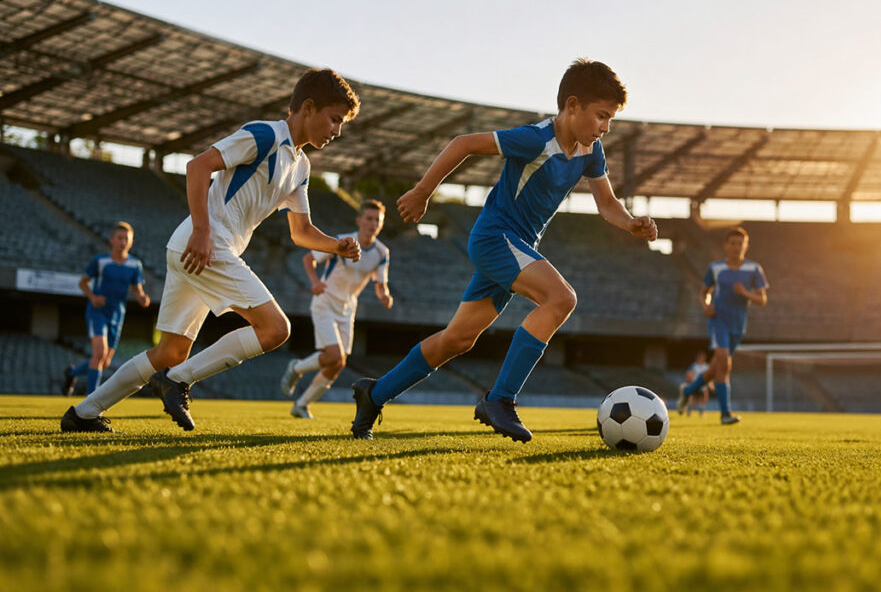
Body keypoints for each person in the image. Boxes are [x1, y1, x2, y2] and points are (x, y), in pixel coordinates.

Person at [349, 58, 658, 442]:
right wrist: (422, 191)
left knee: (457, 340)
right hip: (496, 238)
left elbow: (607, 204)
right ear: (573, 105)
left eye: (610, 118)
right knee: (561, 299)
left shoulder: (590, 151)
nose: (606, 127)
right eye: (602, 116)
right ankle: (500, 399)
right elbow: (464, 144)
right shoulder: (535, 139)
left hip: (516, 247)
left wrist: (631, 223)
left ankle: (373, 394)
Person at [60, 68, 362, 433]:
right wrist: (203, 231)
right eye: (334, 119)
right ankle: (177, 380)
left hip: (194, 249)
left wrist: (337, 246)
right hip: (206, 244)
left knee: (169, 353)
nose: (336, 131)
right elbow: (198, 166)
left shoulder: (301, 166)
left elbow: (301, 232)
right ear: (308, 108)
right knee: (275, 329)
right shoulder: (265, 134)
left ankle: (83, 414)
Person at [280, 199, 393, 419]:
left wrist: (384, 296)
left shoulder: (382, 252)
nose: (373, 223)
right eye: (369, 218)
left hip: (348, 308)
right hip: (325, 301)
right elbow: (308, 258)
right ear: (359, 220)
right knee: (333, 355)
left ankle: (301, 405)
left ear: (381, 224)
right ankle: (296, 368)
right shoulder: (342, 241)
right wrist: (315, 282)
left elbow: (381, 284)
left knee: (338, 363)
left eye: (377, 220)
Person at [680, 227, 768, 425]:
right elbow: (704, 292)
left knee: (714, 369)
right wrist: (706, 305)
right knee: (724, 363)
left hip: (738, 324)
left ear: (746, 246)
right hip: (718, 320)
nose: (736, 247)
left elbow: (762, 299)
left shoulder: (754, 269)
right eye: (733, 243)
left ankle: (688, 391)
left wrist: (745, 293)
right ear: (726, 246)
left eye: (740, 244)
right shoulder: (716, 268)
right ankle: (725, 413)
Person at [62, 222, 150, 395]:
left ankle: (71, 373)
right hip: (98, 311)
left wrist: (142, 297)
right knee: (99, 353)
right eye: (119, 238)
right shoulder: (100, 261)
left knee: (105, 361)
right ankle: (92, 398)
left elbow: (137, 289)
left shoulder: (135, 265)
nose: (123, 242)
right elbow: (83, 283)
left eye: (126, 239)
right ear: (111, 240)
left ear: (131, 242)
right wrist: (93, 297)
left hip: (117, 314)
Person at [677, 350, 710, 416]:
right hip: (695, 384)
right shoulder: (694, 366)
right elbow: (689, 374)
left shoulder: (706, 366)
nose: (702, 358)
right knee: (694, 399)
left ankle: (701, 412)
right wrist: (690, 381)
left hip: (703, 385)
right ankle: (689, 411)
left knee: (704, 398)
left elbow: (709, 376)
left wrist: (710, 385)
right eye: (700, 357)